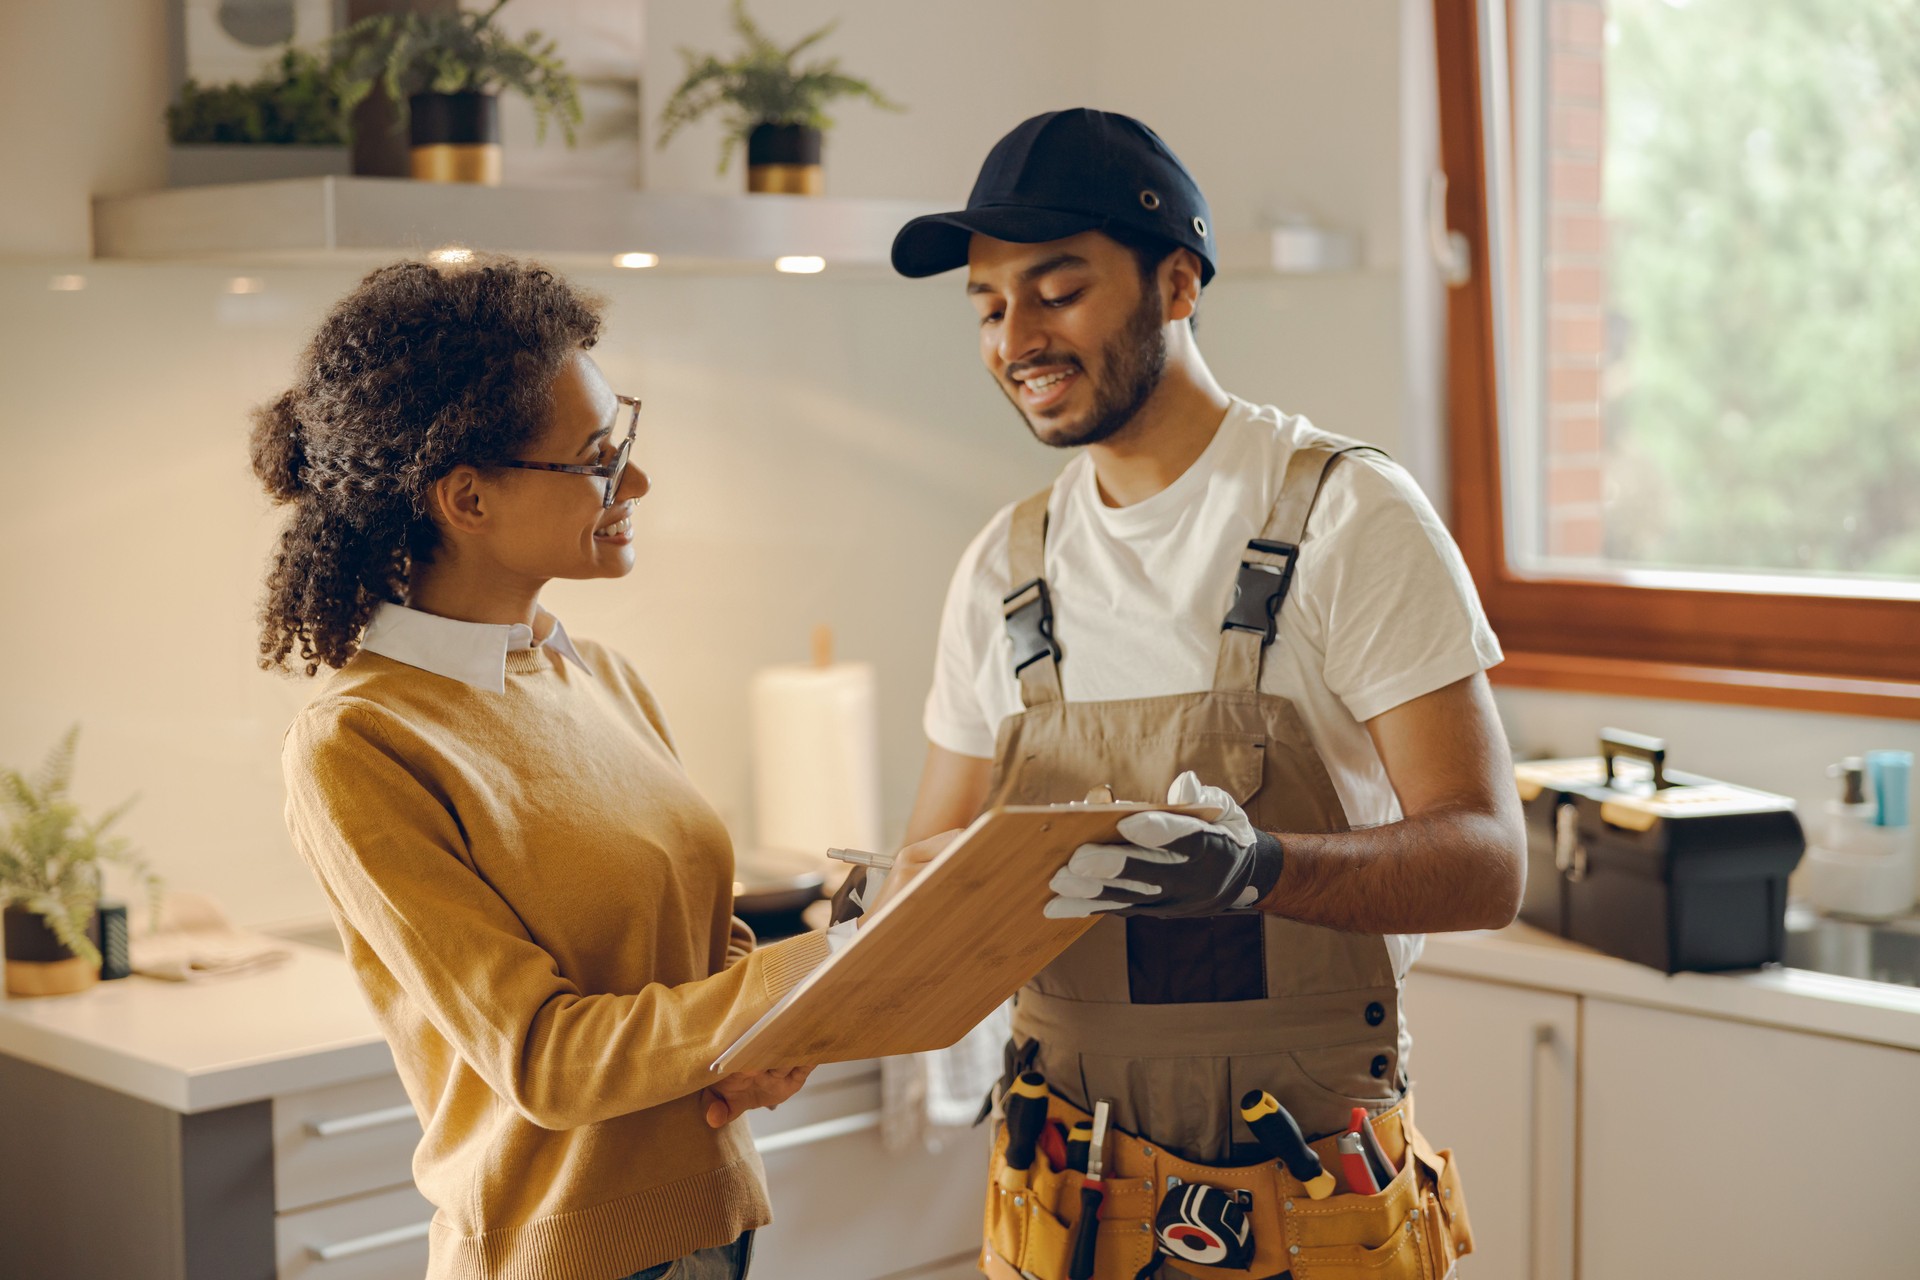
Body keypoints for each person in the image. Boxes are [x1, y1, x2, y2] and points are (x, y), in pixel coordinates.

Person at [882, 109, 1526, 1277]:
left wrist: (1257, 869)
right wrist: (842, 950)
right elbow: (933, 877)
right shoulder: (1000, 567)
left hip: (1307, 1190)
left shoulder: (1347, 517)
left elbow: (1487, 860)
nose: (1014, 335)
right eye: (987, 305)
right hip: (1065, 1196)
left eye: (1057, 289)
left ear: (1176, 282)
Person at [256, 256, 826, 1280]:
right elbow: (544, 1058)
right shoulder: (362, 741)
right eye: (599, 458)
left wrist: (774, 1025)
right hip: (559, 1255)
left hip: (713, 1229)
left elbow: (697, 941)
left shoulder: (595, 673)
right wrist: (803, 978)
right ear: (466, 496)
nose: (636, 482)